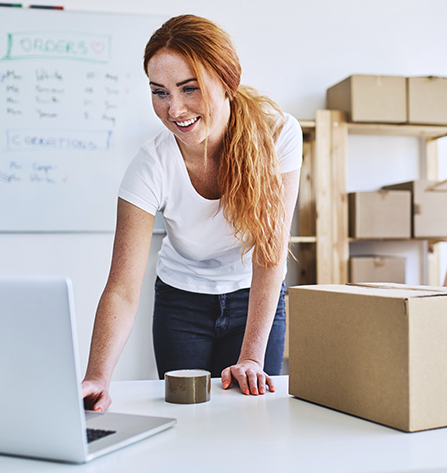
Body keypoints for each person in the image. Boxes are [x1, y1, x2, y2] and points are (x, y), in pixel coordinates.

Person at [81, 14, 302, 411]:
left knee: (252, 420)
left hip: (253, 298)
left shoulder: (277, 134)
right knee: (186, 418)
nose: (174, 109)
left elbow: (270, 254)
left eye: (189, 88)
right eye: (159, 92)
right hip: (181, 303)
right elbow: (122, 289)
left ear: (226, 81)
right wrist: (97, 376)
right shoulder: (151, 164)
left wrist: (251, 356)